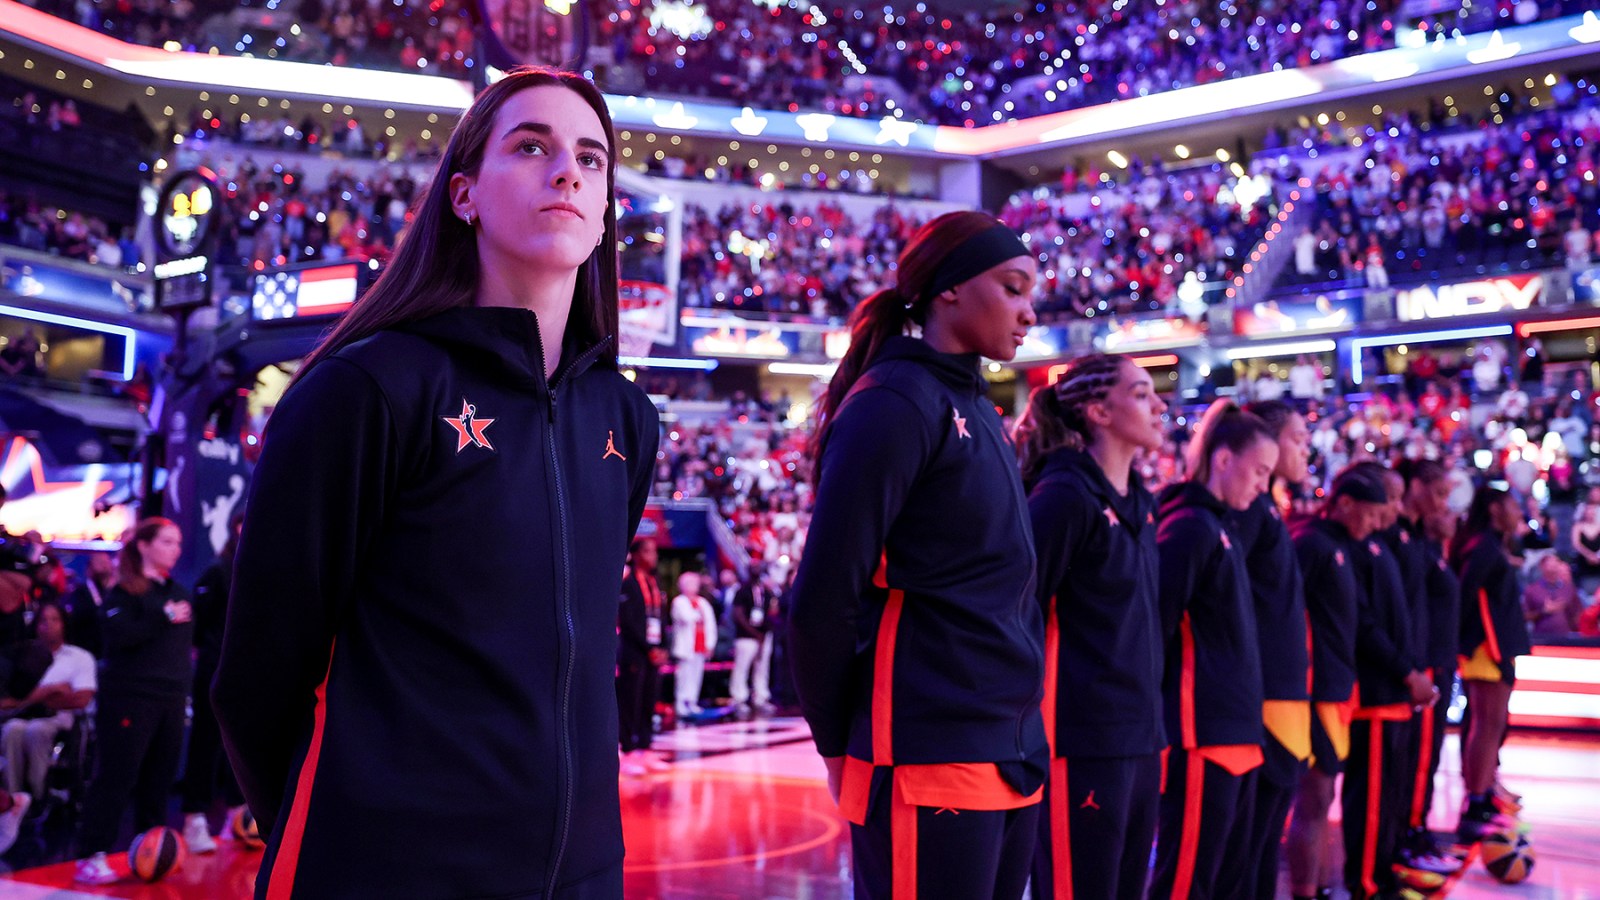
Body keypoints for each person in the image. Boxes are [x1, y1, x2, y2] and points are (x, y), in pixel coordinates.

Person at [212, 68, 659, 899]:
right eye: (533, 147)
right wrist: (350, 846)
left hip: (586, 875)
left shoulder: (628, 421)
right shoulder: (368, 390)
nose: (568, 171)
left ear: (604, 212)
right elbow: (258, 677)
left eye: (591, 158)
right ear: (464, 195)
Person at [788, 210, 1046, 900]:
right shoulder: (894, 402)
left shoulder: (980, 408)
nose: (1028, 313)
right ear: (950, 288)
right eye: (1014, 288)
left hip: (1011, 749)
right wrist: (836, 744)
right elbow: (822, 599)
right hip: (925, 752)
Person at [1014, 353, 1167, 900]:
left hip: (1141, 734)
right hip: (1079, 740)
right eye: (1142, 394)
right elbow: (1017, 613)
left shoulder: (1141, 503)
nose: (1159, 406)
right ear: (1099, 412)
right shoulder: (1063, 497)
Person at [1150, 401, 1277, 900]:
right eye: (1259, 471)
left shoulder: (1220, 527)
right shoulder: (1188, 527)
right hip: (1200, 731)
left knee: (1224, 879)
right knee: (1187, 881)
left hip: (1235, 730)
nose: (1263, 486)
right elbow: (1156, 629)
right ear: (1223, 459)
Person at [1285, 467, 1388, 900]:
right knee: (1315, 797)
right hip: (1314, 689)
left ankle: (1319, 886)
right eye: (1370, 513)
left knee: (1323, 799)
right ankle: (1305, 892)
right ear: (1344, 503)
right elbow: (1286, 613)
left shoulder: (1341, 546)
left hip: (1337, 688)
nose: (1375, 524)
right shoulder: (1311, 542)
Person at [1225, 400, 1313, 900]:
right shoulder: (1250, 512)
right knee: (1248, 846)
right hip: (1262, 700)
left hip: (1283, 696)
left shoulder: (1268, 509)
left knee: (1262, 845)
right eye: (1297, 439)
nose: (1305, 450)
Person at [76, 518, 192, 885]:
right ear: (144, 545)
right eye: (167, 541)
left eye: (178, 542)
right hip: (130, 697)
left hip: (171, 697)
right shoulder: (124, 592)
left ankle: (150, 852)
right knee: (117, 775)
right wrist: (162, 617)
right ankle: (90, 855)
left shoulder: (178, 592)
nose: (175, 549)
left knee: (159, 780)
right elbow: (118, 636)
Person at [1340, 462, 1434, 899]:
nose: (1392, 509)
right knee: (1371, 798)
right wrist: (1405, 670)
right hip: (1374, 690)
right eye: (1387, 500)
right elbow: (1364, 625)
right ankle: (1368, 885)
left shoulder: (1381, 545)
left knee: (1389, 794)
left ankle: (1385, 873)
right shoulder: (1357, 547)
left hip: (1395, 686)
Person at [1450, 487, 1531, 841]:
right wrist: (1467, 645)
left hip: (1495, 648)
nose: (1519, 512)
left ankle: (1483, 796)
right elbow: (1464, 596)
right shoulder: (1482, 547)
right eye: (1513, 505)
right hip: (1487, 649)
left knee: (1490, 727)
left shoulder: (1492, 545)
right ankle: (1476, 803)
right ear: (1495, 509)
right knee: (1486, 727)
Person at [1397, 460, 1461, 864]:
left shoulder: (1425, 542)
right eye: (1438, 494)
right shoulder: (1404, 539)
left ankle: (1415, 832)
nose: (1443, 505)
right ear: (1415, 486)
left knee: (1428, 756)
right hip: (1423, 661)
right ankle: (1410, 836)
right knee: (1418, 759)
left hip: (1436, 658)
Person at [179, 514, 244, 853]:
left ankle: (238, 814)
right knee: (206, 743)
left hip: (249, 673)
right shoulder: (218, 571)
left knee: (243, 746)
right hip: (215, 671)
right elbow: (199, 627)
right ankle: (194, 817)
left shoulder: (263, 572)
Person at [1, 601, 95, 797]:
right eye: (43, 620)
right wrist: (50, 691)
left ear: (64, 624)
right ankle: (14, 797)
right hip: (24, 715)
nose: (48, 625)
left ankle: (39, 795)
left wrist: (34, 699)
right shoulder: (21, 655)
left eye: (54, 620)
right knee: (12, 730)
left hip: (61, 718)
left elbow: (82, 699)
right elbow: (7, 699)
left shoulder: (79, 657)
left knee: (36, 730)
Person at [617, 537, 669, 776]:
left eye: (655, 551)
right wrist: (648, 647)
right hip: (635, 651)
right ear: (636, 555)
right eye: (648, 551)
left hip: (653, 651)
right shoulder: (629, 584)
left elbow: (661, 619)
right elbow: (628, 622)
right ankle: (627, 750)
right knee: (631, 701)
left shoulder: (655, 583)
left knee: (650, 700)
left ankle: (646, 748)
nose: (653, 556)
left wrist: (663, 646)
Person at [729, 565, 777, 716]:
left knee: (762, 667)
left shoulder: (766, 592)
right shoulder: (742, 590)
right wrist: (754, 633)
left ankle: (761, 697)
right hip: (746, 636)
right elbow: (738, 615)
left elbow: (772, 612)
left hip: (764, 635)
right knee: (742, 667)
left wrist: (765, 632)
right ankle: (739, 699)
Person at [670, 571, 715, 717]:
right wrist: (697, 615)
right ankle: (681, 703)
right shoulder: (679, 602)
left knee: (696, 675)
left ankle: (692, 702)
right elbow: (686, 617)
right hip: (686, 646)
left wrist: (710, 645)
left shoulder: (703, 603)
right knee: (684, 676)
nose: (693, 586)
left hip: (700, 645)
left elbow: (710, 624)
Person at [59, 551, 112, 659]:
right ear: (89, 568)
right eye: (100, 562)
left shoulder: (114, 592)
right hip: (86, 650)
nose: (104, 565)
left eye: (106, 562)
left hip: (108, 651)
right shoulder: (80, 592)